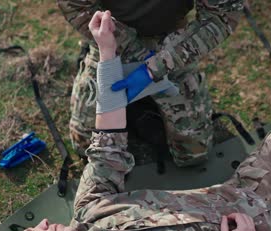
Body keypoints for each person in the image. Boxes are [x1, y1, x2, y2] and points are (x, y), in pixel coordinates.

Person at [3, 11, 271, 231]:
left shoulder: (90, 212)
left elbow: (107, 145)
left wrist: (108, 53)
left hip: (243, 188)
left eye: (31, 229)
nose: (40, 225)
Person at [57, 0, 245, 167]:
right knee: (85, 145)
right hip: (112, 39)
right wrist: (129, 51)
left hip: (173, 44)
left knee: (195, 153)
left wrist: (156, 66)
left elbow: (222, 15)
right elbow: (76, 6)